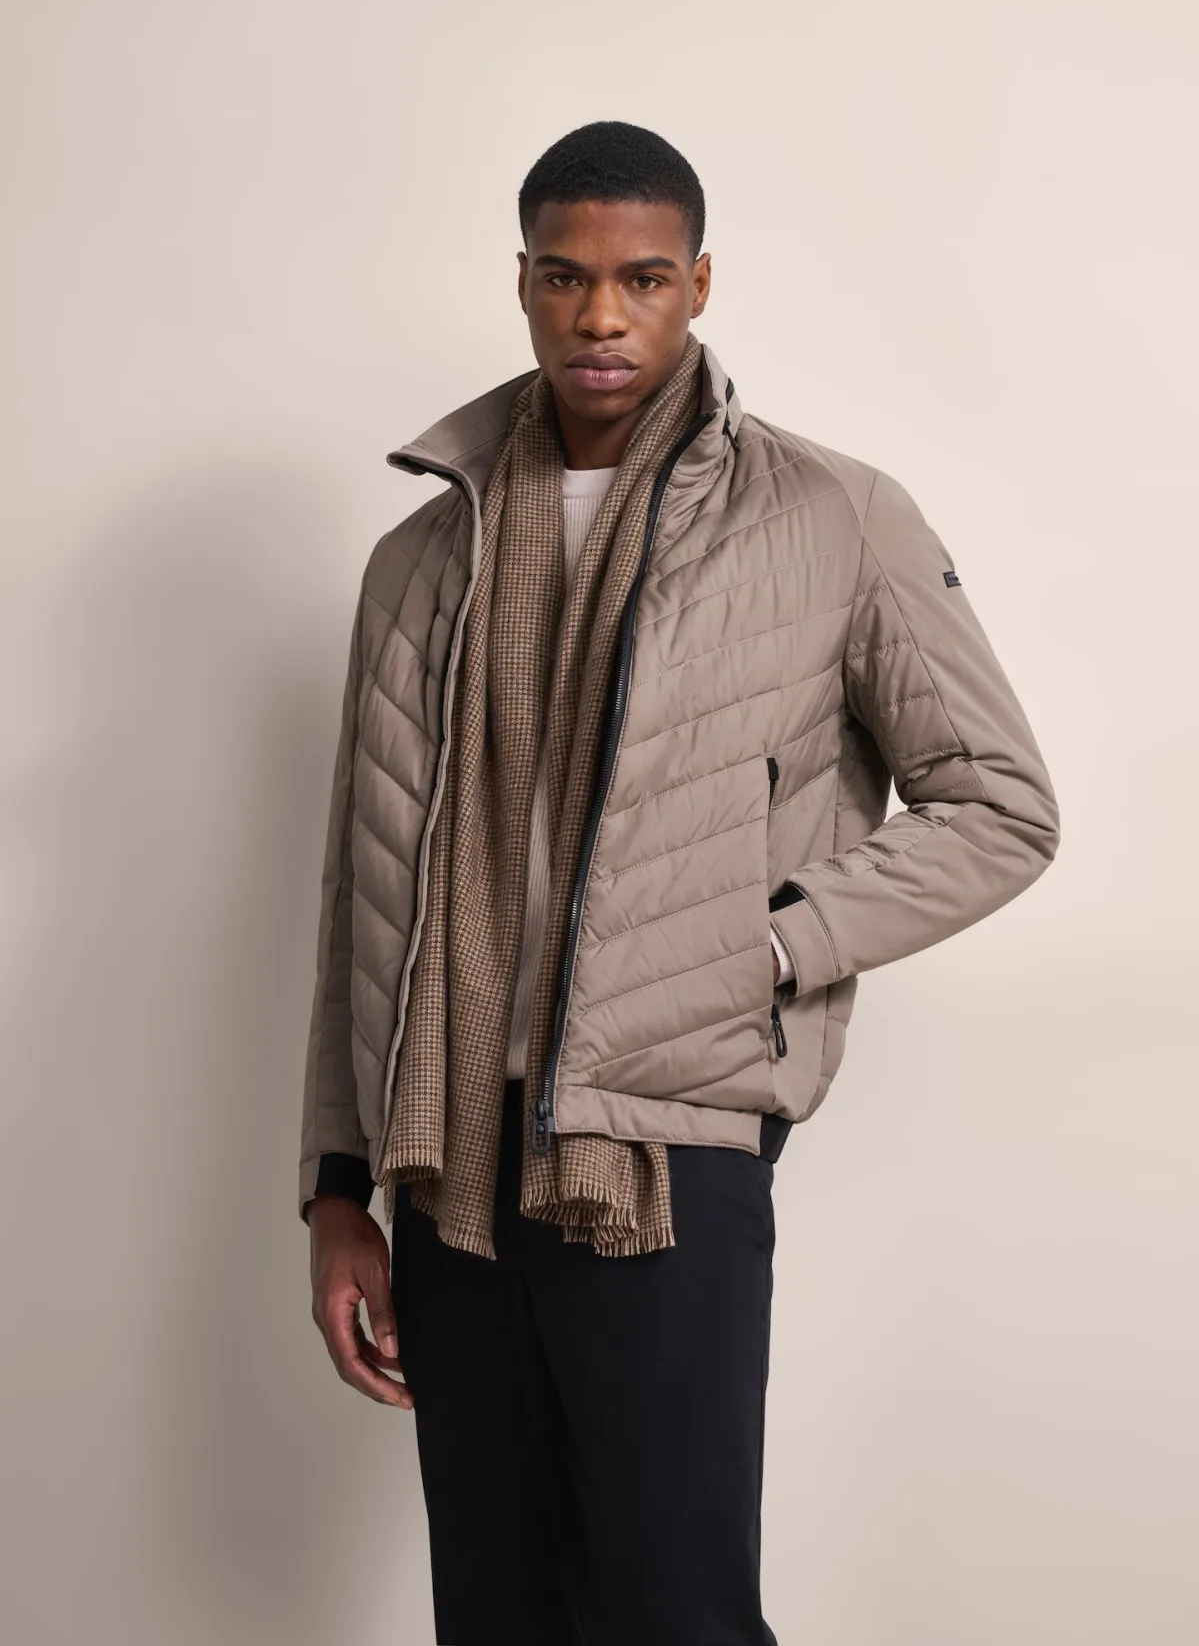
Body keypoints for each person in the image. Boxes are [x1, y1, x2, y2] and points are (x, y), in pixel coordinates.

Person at [299, 120, 1060, 1646]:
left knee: (675, 1610)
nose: (600, 315)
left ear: (697, 284)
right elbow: (361, 892)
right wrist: (334, 1188)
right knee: (497, 1614)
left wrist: (763, 947)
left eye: (641, 279)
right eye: (564, 277)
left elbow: (1000, 808)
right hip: (450, 1160)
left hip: (671, 1147)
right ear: (522, 281)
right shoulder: (420, 561)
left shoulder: (829, 517)